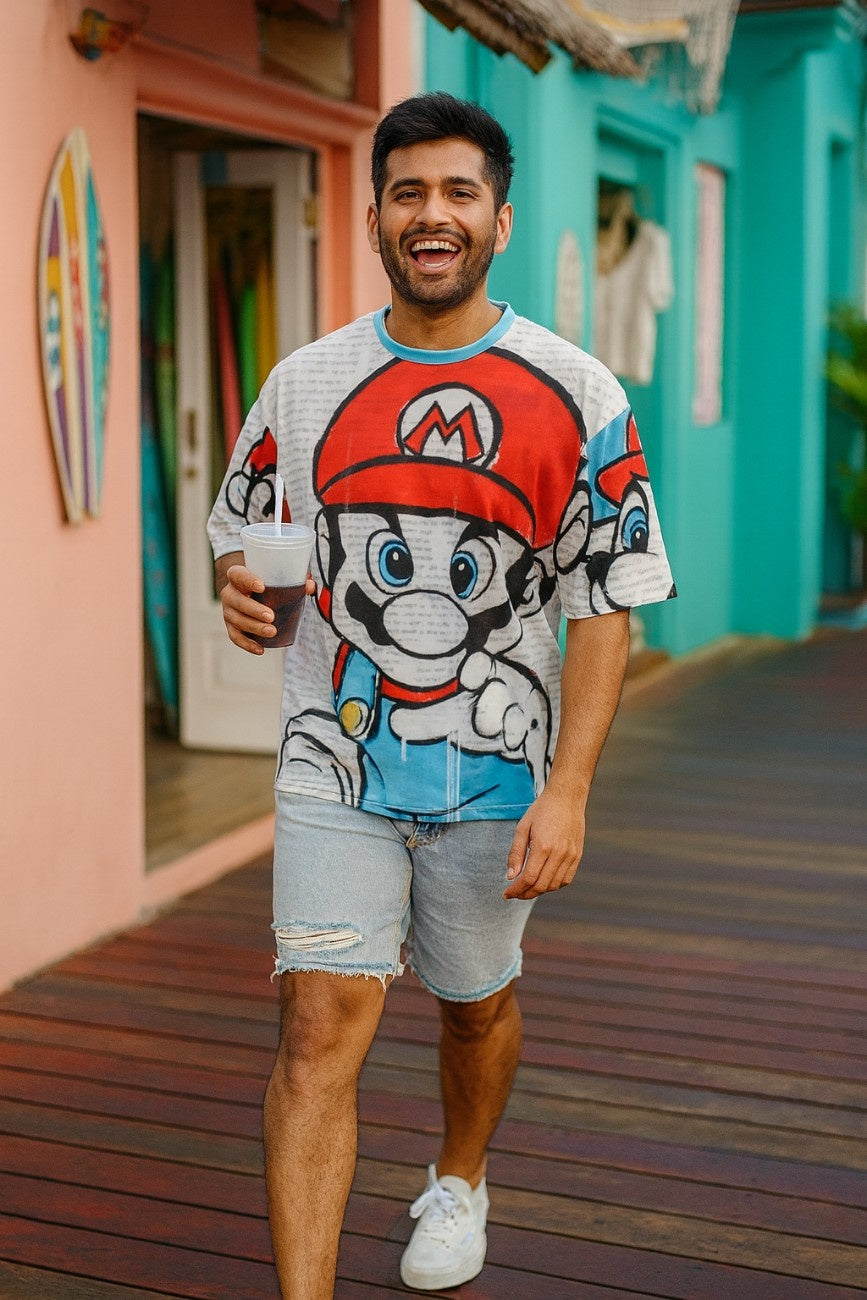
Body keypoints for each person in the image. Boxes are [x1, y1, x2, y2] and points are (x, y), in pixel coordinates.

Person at [208, 92, 675, 1297]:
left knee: (474, 1005)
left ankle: (461, 1179)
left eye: (459, 192)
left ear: (499, 220)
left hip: (497, 779)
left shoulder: (579, 394)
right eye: (407, 192)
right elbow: (244, 534)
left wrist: (568, 791)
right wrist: (237, 591)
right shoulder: (305, 384)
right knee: (318, 1027)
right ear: (374, 216)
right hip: (334, 761)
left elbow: (606, 602)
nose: (433, 214)